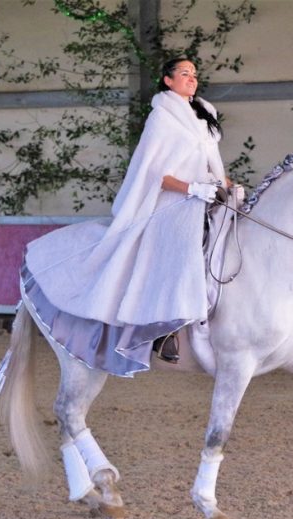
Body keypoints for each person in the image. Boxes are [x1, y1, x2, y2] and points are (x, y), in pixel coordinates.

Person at [22, 57, 231, 376]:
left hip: (203, 195)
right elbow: (155, 174)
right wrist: (191, 189)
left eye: (194, 74)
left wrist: (226, 185)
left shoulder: (204, 116)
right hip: (170, 201)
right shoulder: (161, 118)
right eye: (184, 74)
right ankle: (164, 330)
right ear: (168, 80)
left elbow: (213, 166)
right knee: (179, 246)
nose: (192, 78)